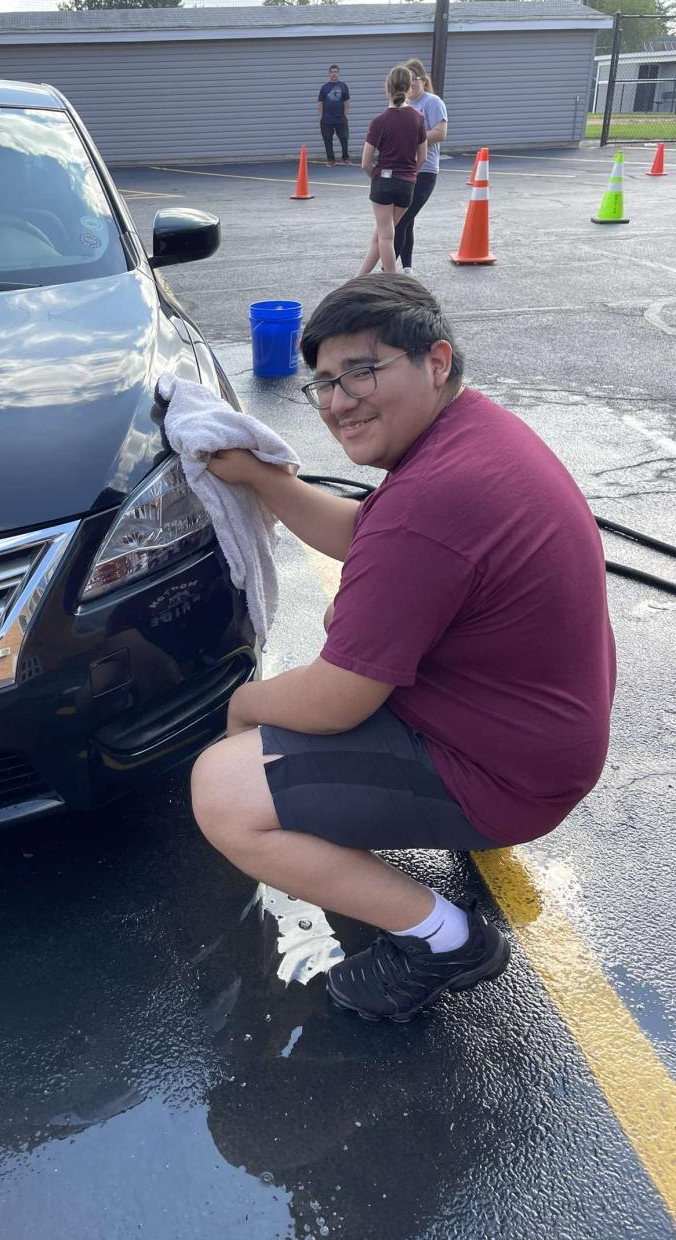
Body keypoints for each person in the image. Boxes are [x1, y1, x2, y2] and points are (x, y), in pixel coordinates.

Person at [190, 275, 616, 1023]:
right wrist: (261, 477)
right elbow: (367, 538)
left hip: (505, 775)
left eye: (362, 371)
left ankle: (447, 941)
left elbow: (336, 700)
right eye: (325, 383)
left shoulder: (433, 501)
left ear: (435, 361)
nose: (338, 401)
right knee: (343, 625)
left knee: (223, 790)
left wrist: (246, 703)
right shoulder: (470, 435)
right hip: (526, 732)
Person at [357, 64, 427, 276]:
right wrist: (410, 175)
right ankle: (357, 280)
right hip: (407, 185)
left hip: (384, 183)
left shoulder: (379, 121)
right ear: (409, 88)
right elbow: (423, 157)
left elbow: (365, 162)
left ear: (387, 87)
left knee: (385, 236)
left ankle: (391, 280)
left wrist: (377, 177)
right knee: (380, 236)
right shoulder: (418, 118)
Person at [393, 60, 448, 277]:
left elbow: (441, 133)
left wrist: (411, 140)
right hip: (404, 168)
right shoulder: (404, 104)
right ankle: (407, 269)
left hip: (425, 169)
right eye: (408, 80)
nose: (411, 84)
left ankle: (387, 271)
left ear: (423, 81)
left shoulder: (432, 102)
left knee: (401, 220)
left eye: (414, 79)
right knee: (407, 220)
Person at [316, 65, 351, 168]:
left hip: (340, 118)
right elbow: (320, 102)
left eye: (335, 72)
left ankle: (346, 158)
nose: (334, 74)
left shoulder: (343, 86)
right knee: (327, 140)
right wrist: (320, 116)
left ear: (338, 73)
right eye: (332, 72)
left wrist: (345, 114)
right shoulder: (324, 87)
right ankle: (331, 160)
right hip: (327, 119)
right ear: (329, 74)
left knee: (344, 138)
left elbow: (347, 101)